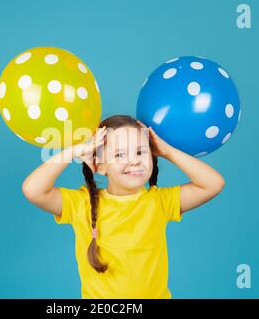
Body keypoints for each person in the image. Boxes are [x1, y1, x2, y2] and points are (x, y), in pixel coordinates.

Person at [22, 114, 225, 298]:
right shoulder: (81, 204)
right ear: (100, 165)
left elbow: (213, 183)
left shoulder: (160, 201)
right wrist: (75, 151)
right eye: (120, 155)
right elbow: (33, 190)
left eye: (140, 152)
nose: (134, 161)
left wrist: (168, 151)